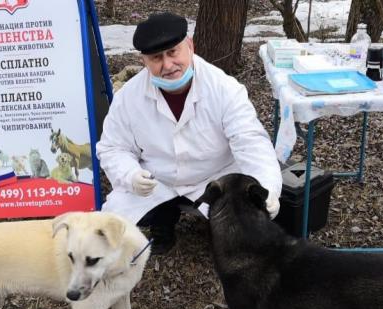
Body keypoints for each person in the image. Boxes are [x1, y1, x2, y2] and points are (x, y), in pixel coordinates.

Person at [97, 12, 282, 255]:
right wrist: (130, 175)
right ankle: (162, 221)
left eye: (173, 52)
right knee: (115, 215)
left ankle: (214, 226)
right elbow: (112, 147)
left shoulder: (224, 89)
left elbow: (251, 143)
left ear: (190, 46)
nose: (167, 65)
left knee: (239, 242)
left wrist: (267, 188)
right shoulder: (128, 98)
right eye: (156, 58)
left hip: (215, 177)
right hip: (158, 179)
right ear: (144, 61)